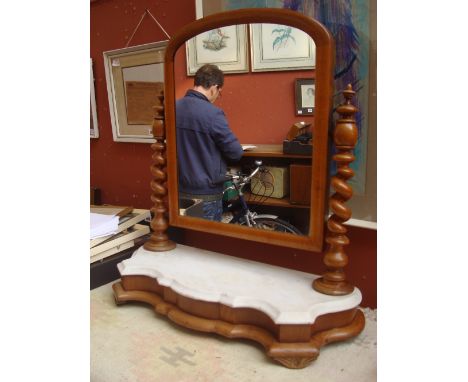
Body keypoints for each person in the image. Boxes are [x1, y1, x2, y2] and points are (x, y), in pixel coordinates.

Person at [176, 64, 243, 221]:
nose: (217, 96)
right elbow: (236, 153)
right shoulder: (213, 113)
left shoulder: (173, 108)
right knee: (207, 242)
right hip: (206, 193)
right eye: (219, 92)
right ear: (214, 87)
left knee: (186, 239)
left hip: (178, 190)